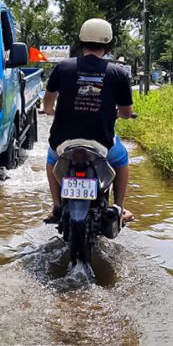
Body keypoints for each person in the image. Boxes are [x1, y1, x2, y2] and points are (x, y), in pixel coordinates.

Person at [43, 17, 134, 223]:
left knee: (50, 160)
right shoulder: (117, 73)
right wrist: (116, 113)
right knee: (121, 161)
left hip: (63, 143)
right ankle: (119, 208)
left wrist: (51, 110)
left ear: (81, 41)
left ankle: (57, 207)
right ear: (109, 45)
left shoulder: (62, 67)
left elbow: (47, 105)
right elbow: (127, 112)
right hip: (102, 143)